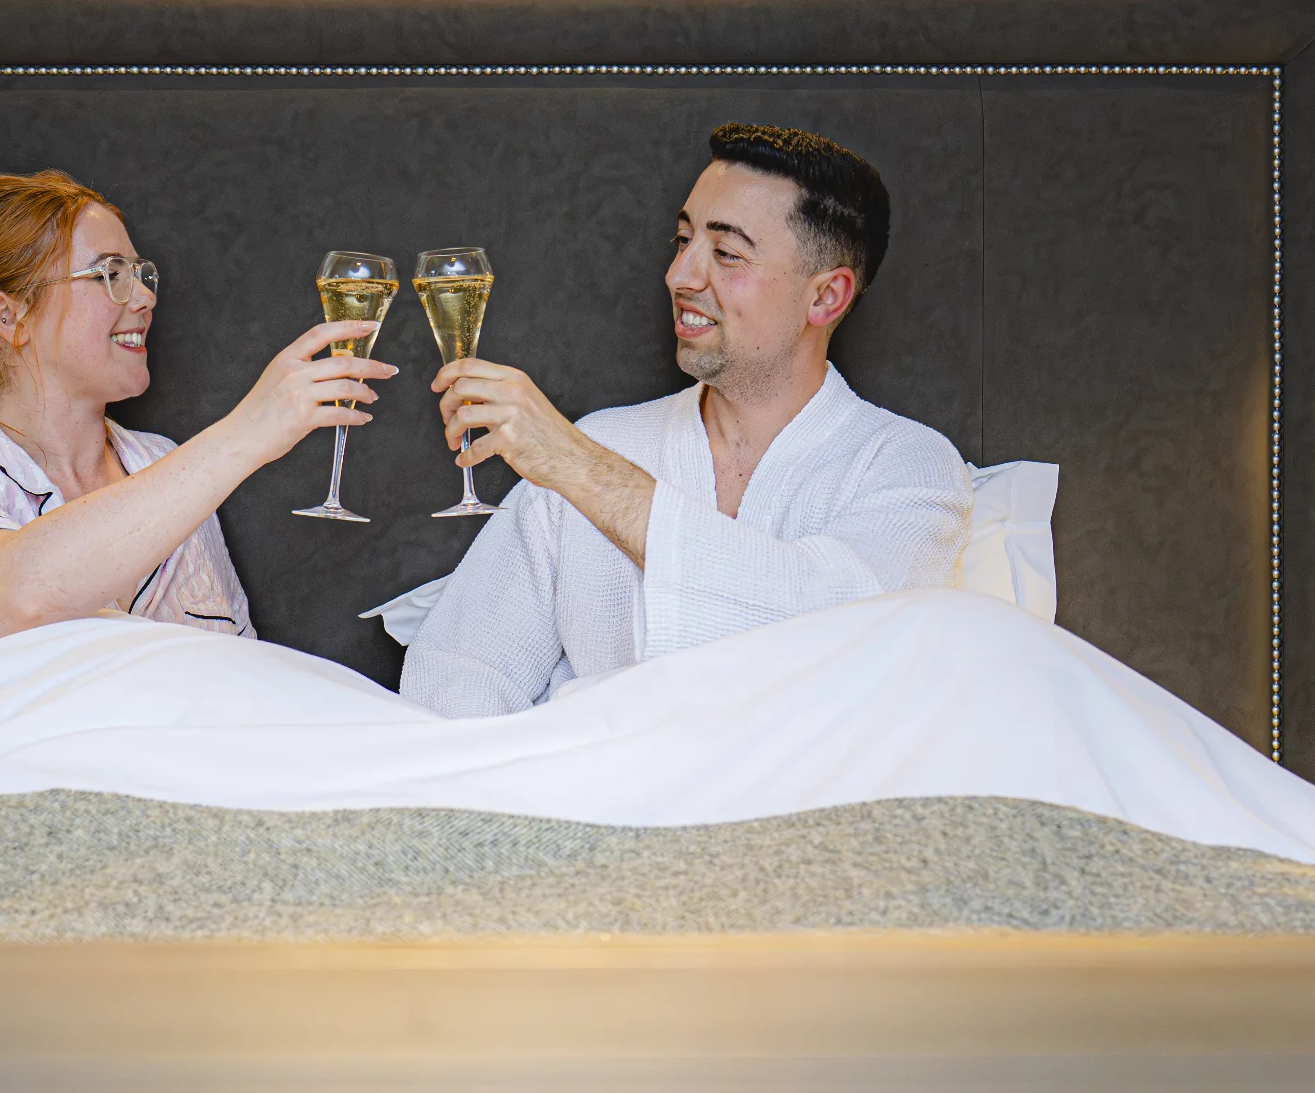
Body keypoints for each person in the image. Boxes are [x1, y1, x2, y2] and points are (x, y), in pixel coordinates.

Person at [400, 123, 971, 717]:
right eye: (683, 240)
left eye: (726, 254)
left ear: (826, 297)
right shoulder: (604, 441)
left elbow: (835, 632)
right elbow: (458, 670)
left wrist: (578, 466)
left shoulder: (908, 467)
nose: (680, 276)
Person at [0, 167, 394, 639]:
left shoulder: (162, 463)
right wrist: (244, 434)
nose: (145, 297)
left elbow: (237, 665)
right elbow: (21, 594)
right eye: (111, 274)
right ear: (9, 316)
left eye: (141, 274)